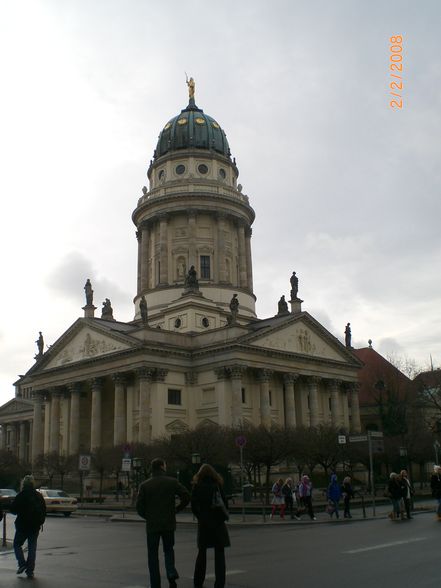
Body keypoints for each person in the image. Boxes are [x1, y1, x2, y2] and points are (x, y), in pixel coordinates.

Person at [136, 458, 190, 588]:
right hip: (168, 523)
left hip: (152, 525)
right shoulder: (172, 482)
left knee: (153, 555)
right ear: (162, 467)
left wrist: (148, 516)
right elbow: (186, 496)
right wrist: (176, 509)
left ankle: (155, 584)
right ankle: (171, 572)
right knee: (169, 550)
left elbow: (139, 507)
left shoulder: (144, 485)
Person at [191, 463, 230, 588]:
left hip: (204, 524)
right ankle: (219, 583)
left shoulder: (197, 487)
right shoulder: (216, 486)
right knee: (220, 555)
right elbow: (225, 503)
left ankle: (198, 582)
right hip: (218, 524)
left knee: (201, 554)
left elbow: (193, 507)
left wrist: (201, 517)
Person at [9, 475, 46, 579]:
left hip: (22, 526)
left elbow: (13, 510)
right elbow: (44, 510)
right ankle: (30, 571)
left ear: (23, 484)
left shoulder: (21, 495)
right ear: (33, 484)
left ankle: (22, 564)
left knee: (17, 544)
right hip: (35, 526)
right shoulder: (38, 495)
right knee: (32, 548)